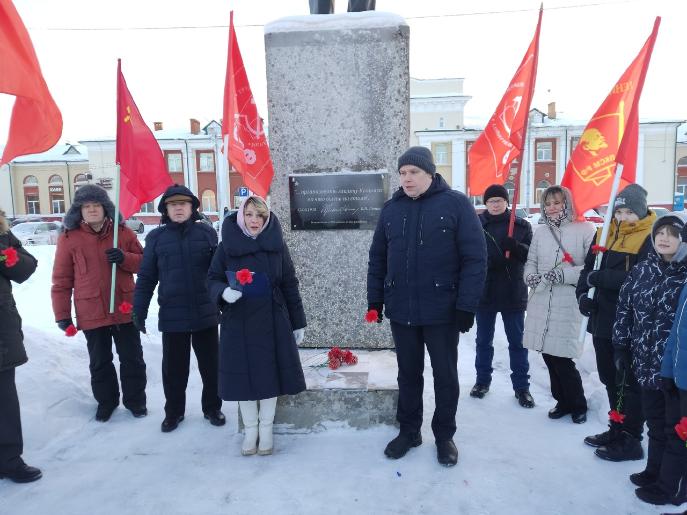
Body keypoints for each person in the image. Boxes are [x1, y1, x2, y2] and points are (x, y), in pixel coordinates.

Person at [367, 146, 487, 467]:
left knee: (445, 375)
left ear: (430, 174)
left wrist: (466, 305)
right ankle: (409, 431)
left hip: (443, 311)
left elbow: (475, 258)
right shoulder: (391, 209)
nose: (407, 178)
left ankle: (444, 435)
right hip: (401, 310)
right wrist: (374, 299)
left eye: (413, 172)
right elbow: (378, 258)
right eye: (403, 172)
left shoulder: (456, 204)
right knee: (408, 374)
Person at [208, 195, 306, 456]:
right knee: (243, 377)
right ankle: (250, 430)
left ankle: (266, 429)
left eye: (260, 215)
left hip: (272, 319)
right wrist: (222, 292)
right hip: (237, 319)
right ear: (241, 215)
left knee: (268, 375)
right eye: (250, 214)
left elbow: (289, 282)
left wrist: (298, 322)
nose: (254, 220)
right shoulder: (226, 245)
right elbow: (212, 278)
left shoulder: (276, 244)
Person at [133, 185, 225, 433]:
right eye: (173, 205)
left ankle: (212, 407)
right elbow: (146, 277)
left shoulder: (206, 233)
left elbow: (218, 271)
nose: (179, 208)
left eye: (183, 204)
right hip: (173, 315)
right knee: (174, 370)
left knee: (211, 366)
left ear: (193, 207)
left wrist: (225, 300)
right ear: (165, 209)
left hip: (205, 312)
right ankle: (173, 412)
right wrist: (138, 310)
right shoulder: (155, 239)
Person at [51, 185, 147, 422]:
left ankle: (135, 402)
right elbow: (61, 279)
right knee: (99, 361)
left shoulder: (122, 233)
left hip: (125, 307)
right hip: (91, 309)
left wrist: (125, 259)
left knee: (132, 358)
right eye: (87, 206)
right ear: (79, 211)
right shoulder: (69, 238)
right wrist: (62, 314)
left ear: (106, 209)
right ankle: (107, 402)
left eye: (96, 205)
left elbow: (146, 264)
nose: (92, 210)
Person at [576, 184, 655, 461]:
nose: (622, 217)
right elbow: (588, 270)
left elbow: (644, 281)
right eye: (618, 211)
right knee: (610, 378)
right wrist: (584, 295)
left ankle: (632, 439)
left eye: (628, 212)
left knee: (629, 382)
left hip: (632, 324)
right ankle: (616, 427)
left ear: (641, 211)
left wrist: (602, 280)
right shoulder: (604, 233)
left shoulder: (651, 237)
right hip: (602, 320)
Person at [614, 213, 687, 506]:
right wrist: (620, 346)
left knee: (675, 430)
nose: (664, 238)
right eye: (660, 232)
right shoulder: (644, 270)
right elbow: (624, 307)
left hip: (675, 368)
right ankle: (654, 471)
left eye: (672, 233)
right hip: (645, 362)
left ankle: (670, 486)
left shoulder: (684, 274)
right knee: (655, 424)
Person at [523, 185, 595, 424]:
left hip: (567, 301)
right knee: (547, 355)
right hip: (541, 299)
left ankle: (577, 403)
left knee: (563, 357)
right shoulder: (541, 232)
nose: (552, 208)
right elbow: (531, 261)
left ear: (568, 203)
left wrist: (565, 275)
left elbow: (590, 267)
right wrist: (530, 276)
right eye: (548, 203)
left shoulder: (585, 229)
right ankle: (561, 400)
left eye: (557, 202)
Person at [471, 184, 534, 408]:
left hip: (512, 292)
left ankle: (521, 387)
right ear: (485, 203)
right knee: (483, 341)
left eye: (499, 200)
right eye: (491, 201)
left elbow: (531, 256)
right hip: (485, 292)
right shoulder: (476, 224)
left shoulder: (520, 225)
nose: (495, 204)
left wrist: (516, 247)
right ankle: (482, 381)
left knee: (517, 342)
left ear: (506, 202)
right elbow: (469, 254)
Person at [0, 209, 41, 483]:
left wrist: (2, 250)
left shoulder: (2, 234)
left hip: (1, 331)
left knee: (4, 399)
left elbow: (27, 266)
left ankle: (9, 460)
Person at [659, 281, 687, 507]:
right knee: (677, 434)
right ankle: (670, 489)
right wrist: (667, 370)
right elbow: (677, 329)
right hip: (680, 376)